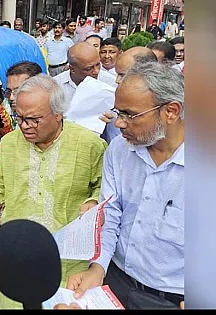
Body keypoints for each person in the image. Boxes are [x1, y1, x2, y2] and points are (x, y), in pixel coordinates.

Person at [0, 74, 107, 310]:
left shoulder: (90, 145)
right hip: (18, 254)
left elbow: (104, 188)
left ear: (58, 114)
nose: (25, 126)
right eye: (19, 117)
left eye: (34, 119)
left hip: (66, 260)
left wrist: (93, 202)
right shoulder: (9, 144)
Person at [67, 61, 184, 310]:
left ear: (171, 111)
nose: (118, 123)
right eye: (118, 112)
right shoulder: (120, 150)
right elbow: (111, 211)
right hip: (116, 282)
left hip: (173, 298)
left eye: (129, 115)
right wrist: (97, 267)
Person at [53, 42, 117, 103]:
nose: (96, 71)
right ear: (72, 69)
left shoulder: (111, 83)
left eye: (98, 64)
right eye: (89, 68)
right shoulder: (55, 86)